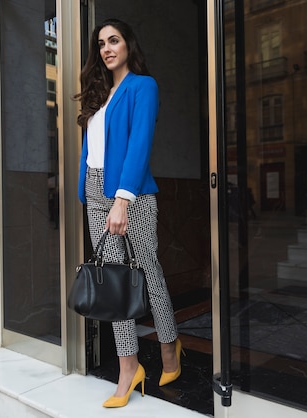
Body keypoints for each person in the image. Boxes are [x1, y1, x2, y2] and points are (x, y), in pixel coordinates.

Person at [74, 18, 183, 408]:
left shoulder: (142, 86)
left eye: (113, 40)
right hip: (95, 189)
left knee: (148, 274)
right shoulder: (100, 95)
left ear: (127, 45)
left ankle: (170, 348)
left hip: (129, 194)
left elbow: (139, 144)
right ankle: (128, 367)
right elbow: (92, 150)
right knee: (116, 285)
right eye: (101, 43)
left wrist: (122, 199)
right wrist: (88, 191)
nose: (106, 48)